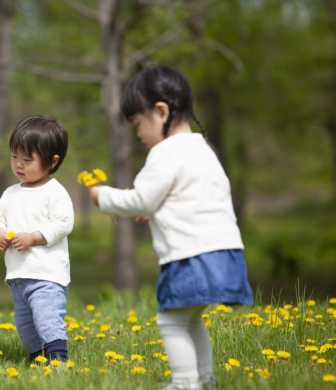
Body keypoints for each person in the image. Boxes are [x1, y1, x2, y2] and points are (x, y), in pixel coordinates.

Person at [87, 65, 253, 390]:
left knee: (171, 320)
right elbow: (193, 197)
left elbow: (139, 200)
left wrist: (101, 196)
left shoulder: (164, 152)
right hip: (225, 252)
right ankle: (204, 379)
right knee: (190, 319)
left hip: (189, 257)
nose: (137, 134)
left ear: (161, 112)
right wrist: (157, 209)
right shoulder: (202, 147)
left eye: (138, 123)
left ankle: (184, 382)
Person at [0, 115, 74, 363]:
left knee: (47, 318)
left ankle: (58, 361)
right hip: (18, 277)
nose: (19, 165)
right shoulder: (10, 193)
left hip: (47, 275)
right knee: (25, 324)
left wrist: (33, 238)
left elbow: (63, 223)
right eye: (15, 157)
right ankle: (37, 359)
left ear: (52, 161)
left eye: (28, 159)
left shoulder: (55, 191)